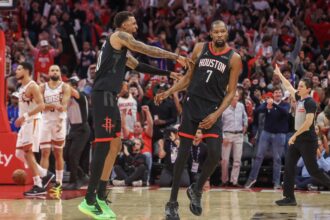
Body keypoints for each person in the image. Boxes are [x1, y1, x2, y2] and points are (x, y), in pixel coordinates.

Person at [78, 11, 189, 220]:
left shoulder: (119, 50)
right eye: (133, 23)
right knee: (102, 146)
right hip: (102, 96)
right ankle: (89, 199)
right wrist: (175, 56)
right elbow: (144, 48)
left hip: (110, 97)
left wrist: (167, 73)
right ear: (123, 25)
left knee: (116, 145)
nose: (136, 27)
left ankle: (101, 195)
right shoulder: (119, 36)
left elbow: (138, 65)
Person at [155, 20, 242, 219]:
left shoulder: (234, 58)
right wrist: (168, 92)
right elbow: (187, 78)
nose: (219, 35)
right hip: (192, 105)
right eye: (216, 32)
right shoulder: (199, 48)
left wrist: (216, 114)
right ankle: (172, 203)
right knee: (182, 155)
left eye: (223, 31)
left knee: (214, 155)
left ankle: (197, 189)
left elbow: (231, 93)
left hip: (213, 109)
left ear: (227, 33)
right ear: (210, 34)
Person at [274, 64, 330, 206]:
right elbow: (288, 86)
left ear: (308, 89)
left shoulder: (310, 103)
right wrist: (279, 74)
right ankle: (289, 198)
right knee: (289, 166)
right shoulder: (300, 98)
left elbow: (308, 122)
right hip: (298, 139)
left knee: (314, 171)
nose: (298, 88)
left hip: (307, 140)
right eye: (298, 86)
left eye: (301, 86)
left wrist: (294, 135)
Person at [14, 62, 53, 196]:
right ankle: (44, 174)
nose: (16, 71)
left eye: (19, 69)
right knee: (19, 153)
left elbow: (42, 105)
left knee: (28, 152)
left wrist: (24, 116)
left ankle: (38, 183)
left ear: (26, 70)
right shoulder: (22, 87)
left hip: (32, 121)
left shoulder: (33, 86)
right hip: (25, 123)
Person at [244, 87, 290, 189]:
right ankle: (252, 179)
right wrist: (266, 106)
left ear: (282, 95)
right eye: (276, 92)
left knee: (277, 159)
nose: (278, 94)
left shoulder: (285, 104)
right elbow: (257, 110)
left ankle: (277, 182)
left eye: (279, 92)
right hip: (266, 133)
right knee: (258, 156)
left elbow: (285, 112)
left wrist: (272, 104)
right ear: (273, 94)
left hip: (280, 134)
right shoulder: (267, 103)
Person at [39, 65, 71, 196]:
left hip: (59, 122)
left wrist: (55, 107)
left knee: (58, 153)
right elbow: (41, 105)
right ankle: (42, 182)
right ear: (48, 73)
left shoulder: (65, 87)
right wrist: (53, 105)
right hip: (45, 122)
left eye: (57, 70)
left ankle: (58, 184)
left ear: (60, 73)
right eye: (52, 70)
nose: (55, 72)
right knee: (45, 152)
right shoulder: (42, 87)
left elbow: (64, 106)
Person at [63, 76, 91, 190]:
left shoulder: (81, 96)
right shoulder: (67, 100)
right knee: (66, 155)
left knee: (73, 155)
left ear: (74, 87)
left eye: (67, 86)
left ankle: (75, 181)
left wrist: (58, 84)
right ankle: (83, 176)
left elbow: (71, 91)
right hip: (73, 129)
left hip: (82, 129)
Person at [221, 91, 248, 187]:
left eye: (237, 96)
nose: (235, 98)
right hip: (227, 134)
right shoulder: (224, 106)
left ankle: (234, 181)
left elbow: (245, 116)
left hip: (239, 135)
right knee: (225, 160)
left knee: (237, 160)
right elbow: (219, 123)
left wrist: (245, 125)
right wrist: (223, 137)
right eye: (234, 96)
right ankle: (224, 181)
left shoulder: (241, 106)